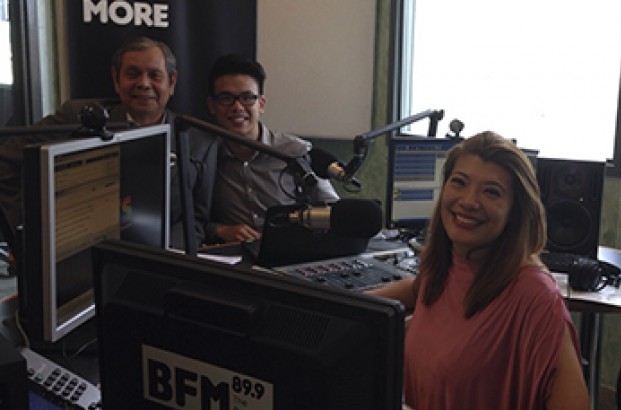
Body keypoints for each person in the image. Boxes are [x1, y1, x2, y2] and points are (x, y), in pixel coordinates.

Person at [370, 131, 589, 410]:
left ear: (515, 211)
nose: (469, 201)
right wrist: (343, 306)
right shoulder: (442, 267)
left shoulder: (534, 296)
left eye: (491, 192)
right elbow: (417, 288)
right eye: (459, 182)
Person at [0, 36, 219, 252]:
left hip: (162, 260)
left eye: (154, 75)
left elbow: (195, 220)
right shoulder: (76, 118)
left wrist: (162, 255)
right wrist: (27, 234)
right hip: (82, 254)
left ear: (171, 83)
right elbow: (6, 160)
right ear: (116, 80)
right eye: (133, 74)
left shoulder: (199, 142)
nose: (144, 84)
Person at [204, 54, 338, 243]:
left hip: (294, 253)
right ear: (212, 105)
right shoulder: (204, 156)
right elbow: (189, 218)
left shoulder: (294, 151)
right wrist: (220, 230)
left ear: (262, 104)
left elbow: (333, 208)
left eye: (247, 98)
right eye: (226, 98)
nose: (237, 107)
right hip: (237, 262)